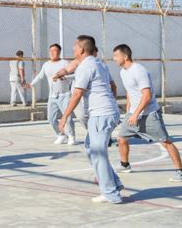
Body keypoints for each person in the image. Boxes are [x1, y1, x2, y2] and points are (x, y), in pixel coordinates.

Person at [59, 35, 123, 204]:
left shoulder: (85, 67)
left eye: (74, 46)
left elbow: (77, 93)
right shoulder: (99, 64)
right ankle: (114, 182)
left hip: (101, 115)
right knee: (90, 147)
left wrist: (64, 116)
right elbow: (113, 87)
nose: (73, 49)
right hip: (105, 112)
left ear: (81, 49)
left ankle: (111, 193)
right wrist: (111, 105)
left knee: (98, 153)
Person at [113, 44, 182, 182]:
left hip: (150, 114)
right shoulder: (123, 72)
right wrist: (129, 111)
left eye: (116, 56)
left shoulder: (139, 70)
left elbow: (147, 95)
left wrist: (135, 114)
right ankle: (125, 165)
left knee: (166, 142)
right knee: (122, 139)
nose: (114, 58)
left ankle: (181, 172)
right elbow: (130, 92)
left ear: (125, 56)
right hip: (133, 113)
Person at [52, 46, 117, 130]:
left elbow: (112, 84)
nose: (95, 55)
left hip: (93, 99)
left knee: (97, 119)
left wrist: (113, 100)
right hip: (78, 95)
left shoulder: (100, 65)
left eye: (96, 53)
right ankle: (93, 132)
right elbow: (66, 70)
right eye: (94, 53)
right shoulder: (78, 62)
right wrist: (58, 74)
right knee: (81, 117)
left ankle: (100, 133)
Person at [26, 44, 76, 145]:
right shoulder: (46, 64)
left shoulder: (65, 63)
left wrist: (66, 78)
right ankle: (61, 135)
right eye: (51, 51)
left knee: (68, 117)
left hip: (64, 95)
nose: (52, 53)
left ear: (59, 52)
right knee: (51, 118)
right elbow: (40, 76)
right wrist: (31, 84)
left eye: (55, 51)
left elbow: (75, 75)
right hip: (52, 96)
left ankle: (71, 136)